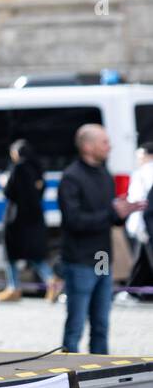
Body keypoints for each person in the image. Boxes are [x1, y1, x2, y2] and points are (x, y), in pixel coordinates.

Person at [58, 124, 146, 354]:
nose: (110, 146)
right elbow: (74, 220)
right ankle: (69, 375)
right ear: (88, 146)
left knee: (101, 324)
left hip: (102, 259)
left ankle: (99, 370)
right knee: (76, 325)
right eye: (104, 142)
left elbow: (108, 218)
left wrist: (123, 214)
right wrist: (112, 214)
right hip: (79, 259)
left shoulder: (105, 174)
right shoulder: (71, 177)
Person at [0, 139, 58, 303]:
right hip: (35, 218)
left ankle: (14, 287)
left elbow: (9, 192)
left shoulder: (17, 168)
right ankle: (51, 281)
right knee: (34, 256)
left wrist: (3, 183)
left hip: (16, 220)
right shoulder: (38, 169)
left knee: (12, 255)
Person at [125, 142, 153, 300]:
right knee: (142, 258)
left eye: (140, 156)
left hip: (145, 222)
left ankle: (133, 290)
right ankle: (133, 289)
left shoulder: (145, 172)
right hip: (144, 221)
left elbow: (140, 198)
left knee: (144, 256)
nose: (138, 160)